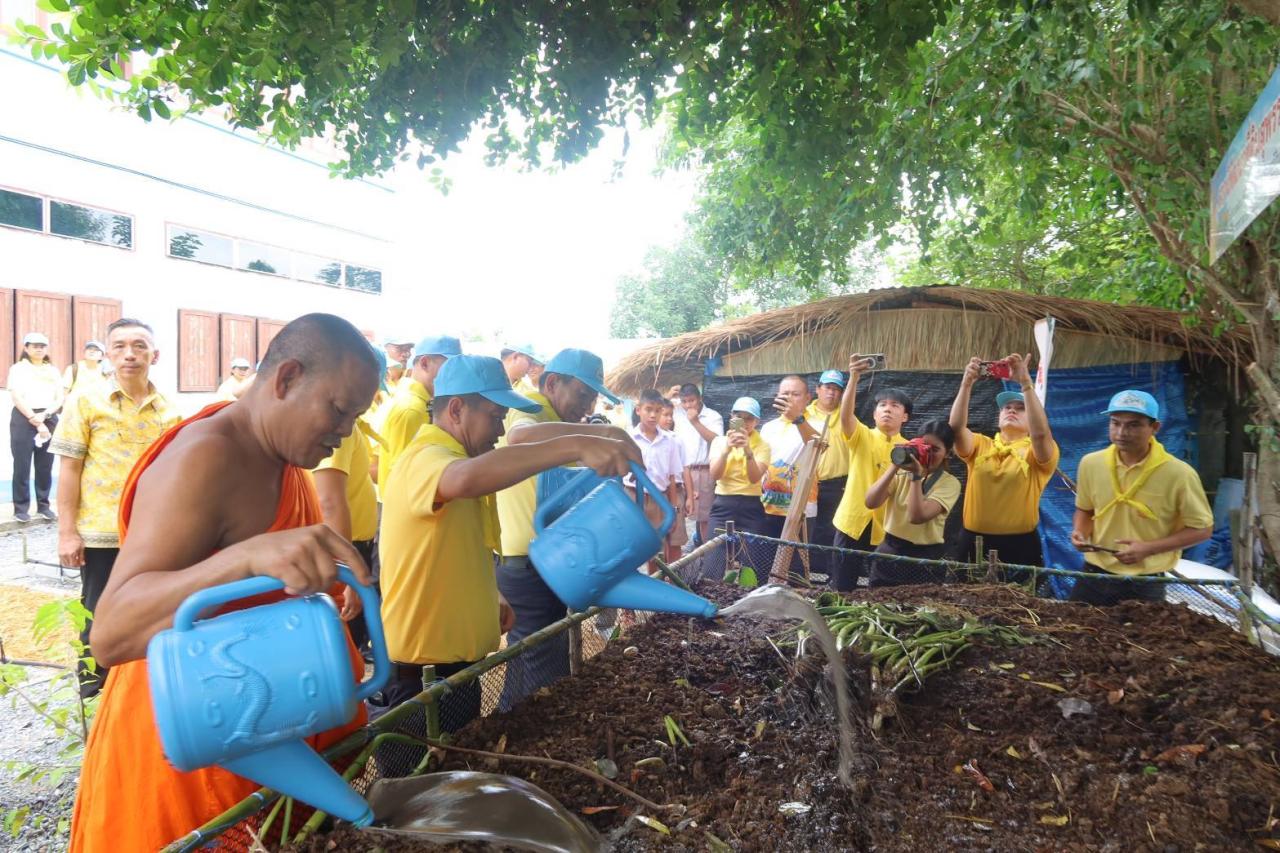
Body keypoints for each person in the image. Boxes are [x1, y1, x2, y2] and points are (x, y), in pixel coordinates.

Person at [69, 313, 380, 853]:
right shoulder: (206, 456)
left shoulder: (275, 452)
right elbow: (113, 633)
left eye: (353, 417)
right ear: (285, 379)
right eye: (337, 410)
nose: (345, 431)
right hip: (194, 740)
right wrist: (246, 558)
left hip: (262, 727)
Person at [380, 354, 639, 728]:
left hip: (454, 666)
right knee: (421, 778)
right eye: (495, 417)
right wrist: (577, 445)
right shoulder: (425, 456)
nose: (500, 432)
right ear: (456, 409)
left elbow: (455, 545)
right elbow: (464, 479)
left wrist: (489, 596)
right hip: (423, 672)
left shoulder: (457, 454)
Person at [495, 348, 641, 710]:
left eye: (592, 397)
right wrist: (594, 433)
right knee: (538, 669)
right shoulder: (528, 405)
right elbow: (519, 439)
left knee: (539, 663)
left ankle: (512, 730)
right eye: (581, 394)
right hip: (525, 562)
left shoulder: (560, 422)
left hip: (550, 556)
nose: (586, 404)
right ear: (552, 383)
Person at [51, 319, 180, 698]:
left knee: (152, 613)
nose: (130, 354)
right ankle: (92, 698)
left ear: (154, 355)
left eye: (139, 346)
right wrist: (67, 532)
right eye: (120, 346)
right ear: (107, 354)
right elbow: (70, 469)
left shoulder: (169, 411)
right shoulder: (85, 401)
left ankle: (138, 698)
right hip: (101, 532)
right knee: (98, 613)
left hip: (153, 534)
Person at [1070, 390, 1212, 605]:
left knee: (1137, 639)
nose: (1121, 432)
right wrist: (1081, 533)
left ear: (1154, 428)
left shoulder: (1179, 474)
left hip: (1146, 582)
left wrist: (1148, 549)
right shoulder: (1091, 463)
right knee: (1076, 634)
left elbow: (1202, 529)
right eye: (1115, 423)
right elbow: (1086, 509)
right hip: (1094, 574)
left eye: (1133, 425)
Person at [949, 354, 1059, 572]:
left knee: (1018, 604)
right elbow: (956, 429)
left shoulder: (1035, 451)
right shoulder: (981, 445)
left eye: (1020, 408)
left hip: (1020, 546)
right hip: (972, 542)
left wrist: (1026, 384)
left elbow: (1040, 435)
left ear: (1032, 420)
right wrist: (966, 384)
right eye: (1006, 407)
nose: (1011, 410)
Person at [311, 360, 383, 652]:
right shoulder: (338, 428)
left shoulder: (350, 423)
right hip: (344, 547)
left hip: (351, 545)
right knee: (344, 646)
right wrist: (348, 574)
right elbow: (330, 500)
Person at [830, 354, 912, 591]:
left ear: (905, 416)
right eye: (882, 405)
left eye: (895, 405)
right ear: (874, 414)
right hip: (851, 522)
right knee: (842, 588)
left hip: (887, 528)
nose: (888, 409)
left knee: (880, 589)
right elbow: (845, 416)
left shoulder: (909, 448)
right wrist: (854, 377)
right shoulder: (862, 436)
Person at [863, 419, 962, 586]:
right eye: (924, 448)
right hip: (890, 549)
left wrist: (916, 477)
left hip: (924, 557)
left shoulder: (949, 483)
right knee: (878, 605)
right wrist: (896, 464)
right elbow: (871, 502)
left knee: (916, 609)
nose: (928, 454)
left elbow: (916, 516)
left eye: (935, 450)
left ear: (948, 453)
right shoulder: (900, 473)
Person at [376, 334, 462, 486]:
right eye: (449, 366)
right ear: (424, 363)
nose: (455, 374)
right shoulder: (412, 409)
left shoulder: (420, 402)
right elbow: (401, 474)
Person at [758, 376, 822, 577]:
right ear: (777, 397)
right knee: (765, 566)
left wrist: (798, 419)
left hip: (801, 511)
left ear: (807, 398)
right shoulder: (768, 427)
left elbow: (819, 445)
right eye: (785, 394)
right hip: (767, 506)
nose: (790, 398)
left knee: (795, 571)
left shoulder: (817, 424)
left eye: (795, 394)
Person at [707, 397, 771, 577]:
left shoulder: (763, 445)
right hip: (723, 503)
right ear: (731, 418)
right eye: (739, 417)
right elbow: (715, 474)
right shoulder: (719, 441)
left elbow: (754, 478)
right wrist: (727, 449)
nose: (744, 422)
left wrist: (748, 451)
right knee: (713, 560)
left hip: (751, 505)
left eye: (748, 418)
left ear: (756, 421)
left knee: (752, 564)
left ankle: (749, 598)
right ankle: (713, 597)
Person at [8, 332, 64, 522]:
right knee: (21, 464)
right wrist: (35, 418)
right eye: (34, 345)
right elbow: (16, 396)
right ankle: (21, 508)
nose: (39, 348)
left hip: (48, 416)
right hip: (24, 417)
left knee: (45, 464)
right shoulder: (18, 369)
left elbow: (59, 398)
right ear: (26, 348)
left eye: (42, 345)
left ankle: (43, 505)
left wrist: (45, 416)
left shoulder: (53, 371)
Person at [629, 389, 685, 562]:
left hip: (659, 498)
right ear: (638, 410)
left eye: (657, 410)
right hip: (632, 495)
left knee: (659, 549)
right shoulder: (628, 438)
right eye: (648, 409)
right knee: (639, 548)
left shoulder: (669, 441)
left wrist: (674, 509)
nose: (653, 415)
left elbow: (672, 478)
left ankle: (666, 583)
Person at [670, 383, 725, 544]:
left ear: (699, 398)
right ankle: (682, 554)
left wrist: (695, 422)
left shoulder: (713, 416)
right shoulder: (677, 412)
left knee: (704, 517)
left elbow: (717, 440)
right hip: (680, 471)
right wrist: (667, 395)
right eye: (684, 401)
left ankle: (706, 556)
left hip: (703, 471)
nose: (688, 405)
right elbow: (657, 410)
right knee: (677, 513)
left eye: (691, 401)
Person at [808, 369, 850, 577]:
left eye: (836, 389)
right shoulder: (804, 415)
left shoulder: (847, 415)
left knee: (834, 531)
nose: (831, 393)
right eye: (827, 388)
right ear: (817, 389)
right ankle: (803, 576)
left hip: (837, 484)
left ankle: (833, 579)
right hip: (807, 485)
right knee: (807, 529)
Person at [659, 399, 693, 559]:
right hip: (656, 493)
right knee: (656, 544)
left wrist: (690, 497)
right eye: (665, 414)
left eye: (670, 415)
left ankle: (673, 580)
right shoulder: (645, 440)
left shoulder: (677, 440)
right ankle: (655, 580)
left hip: (677, 492)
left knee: (675, 540)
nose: (669, 419)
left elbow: (686, 468)